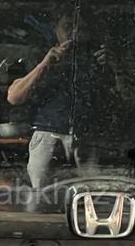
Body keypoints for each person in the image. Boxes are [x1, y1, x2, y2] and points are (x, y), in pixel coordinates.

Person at [7, 10, 123, 188]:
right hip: (48, 135)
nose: (74, 32)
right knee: (43, 194)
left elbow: (128, 98)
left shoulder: (100, 58)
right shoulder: (40, 55)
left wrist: (115, 67)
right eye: (68, 26)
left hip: (88, 137)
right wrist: (45, 64)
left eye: (81, 28)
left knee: (93, 194)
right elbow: (14, 97)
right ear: (54, 27)